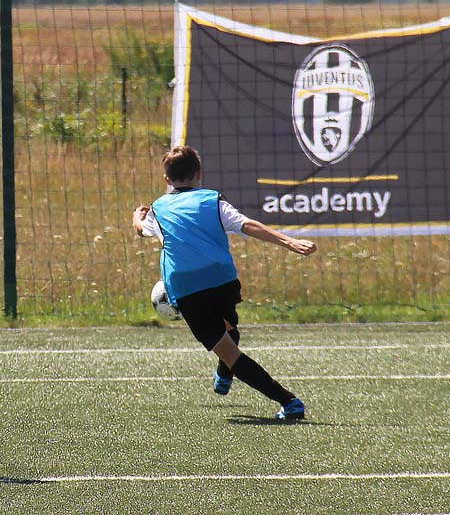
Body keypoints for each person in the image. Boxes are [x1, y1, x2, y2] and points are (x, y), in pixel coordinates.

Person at [132, 145, 315, 421]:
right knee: (229, 330)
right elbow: (246, 225)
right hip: (222, 280)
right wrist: (289, 241)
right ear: (199, 173)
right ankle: (225, 373)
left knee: (229, 350)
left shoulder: (157, 209)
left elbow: (140, 230)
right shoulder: (212, 199)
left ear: (166, 179)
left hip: (187, 288)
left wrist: (136, 216)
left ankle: (289, 402)